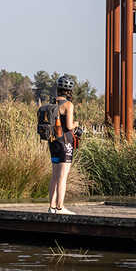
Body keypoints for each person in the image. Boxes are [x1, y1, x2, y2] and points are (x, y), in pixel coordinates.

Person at [48, 74, 82, 214]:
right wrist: (76, 124)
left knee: (54, 176)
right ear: (69, 90)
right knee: (63, 176)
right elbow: (68, 126)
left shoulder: (52, 103)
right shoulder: (68, 105)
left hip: (53, 142)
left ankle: (51, 207)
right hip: (65, 143)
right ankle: (60, 207)